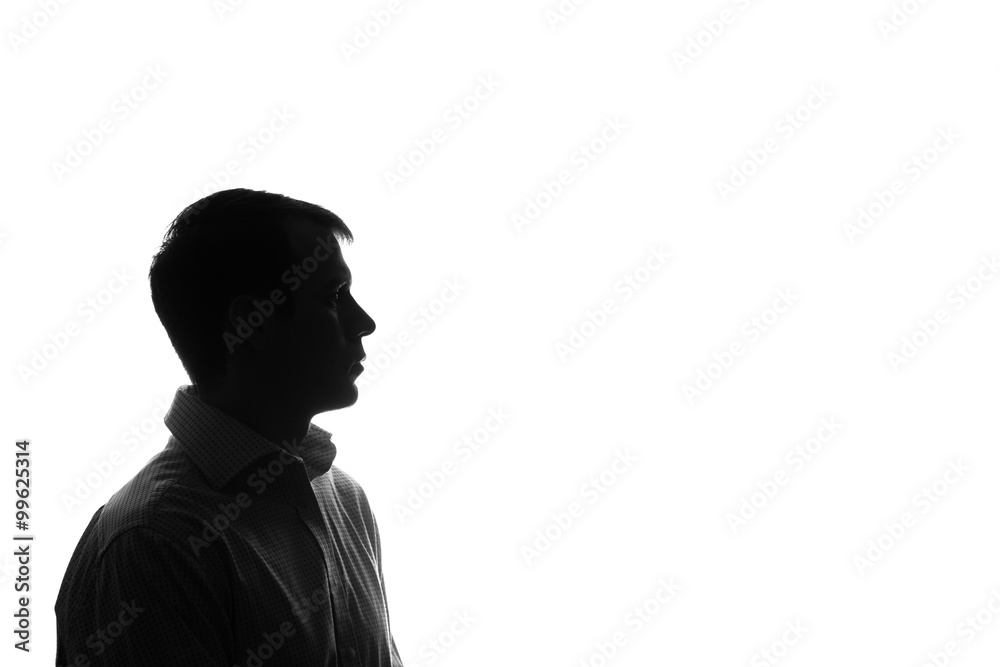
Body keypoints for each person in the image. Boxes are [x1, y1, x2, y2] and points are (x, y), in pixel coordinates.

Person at [54, 188, 404, 666]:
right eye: (334, 296)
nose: (365, 322)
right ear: (252, 324)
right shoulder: (153, 545)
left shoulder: (344, 499)